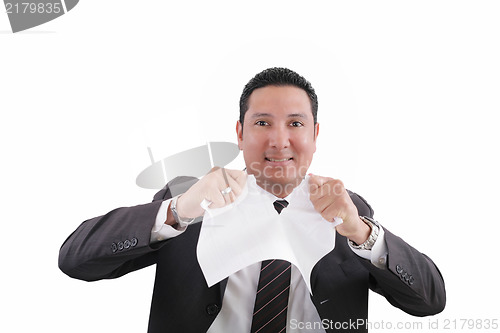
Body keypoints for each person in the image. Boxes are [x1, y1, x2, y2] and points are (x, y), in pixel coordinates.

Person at [59, 67, 446, 333]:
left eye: (295, 123)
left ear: (314, 134)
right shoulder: (190, 199)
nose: (279, 141)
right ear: (241, 133)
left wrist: (362, 233)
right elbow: (76, 260)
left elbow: (430, 301)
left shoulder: (348, 209)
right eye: (262, 123)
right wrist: (179, 210)